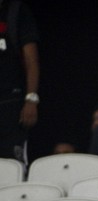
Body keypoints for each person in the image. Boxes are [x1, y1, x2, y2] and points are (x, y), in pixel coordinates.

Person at [0, 0, 38, 164]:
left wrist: (31, 99)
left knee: (12, 164)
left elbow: (32, 60)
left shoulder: (15, 10)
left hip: (10, 101)